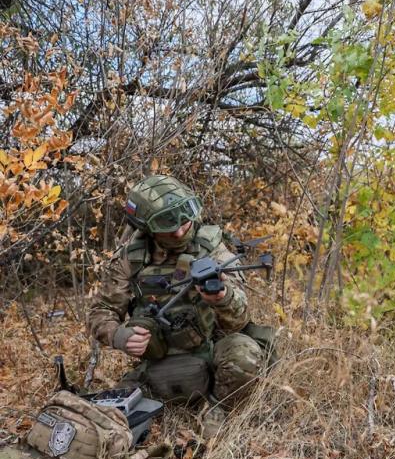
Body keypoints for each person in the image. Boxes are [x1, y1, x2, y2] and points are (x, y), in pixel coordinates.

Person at [87, 175, 274, 434]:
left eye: (183, 220)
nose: (178, 231)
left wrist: (223, 298)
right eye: (165, 224)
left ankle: (217, 405)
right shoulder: (131, 257)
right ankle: (155, 404)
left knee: (245, 356)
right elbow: (101, 311)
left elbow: (240, 319)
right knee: (111, 419)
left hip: (211, 352)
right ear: (147, 226)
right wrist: (120, 336)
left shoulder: (212, 248)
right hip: (158, 359)